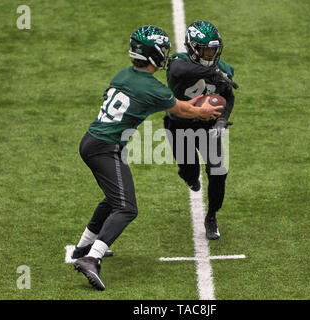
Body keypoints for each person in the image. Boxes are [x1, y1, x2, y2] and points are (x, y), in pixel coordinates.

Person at [72, 25, 224, 291]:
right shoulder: (152, 88)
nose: (165, 53)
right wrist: (205, 111)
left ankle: (83, 245)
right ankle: (91, 258)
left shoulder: (123, 75)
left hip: (91, 141)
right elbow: (183, 110)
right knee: (127, 207)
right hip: (106, 148)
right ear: (154, 53)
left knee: (113, 198)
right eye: (162, 49)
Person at [164, 20, 238, 240]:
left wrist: (222, 120)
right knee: (190, 173)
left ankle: (212, 216)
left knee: (218, 172)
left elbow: (229, 97)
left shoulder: (224, 68)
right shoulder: (179, 61)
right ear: (192, 48)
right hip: (179, 124)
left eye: (213, 50)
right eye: (205, 49)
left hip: (208, 126)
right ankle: (188, 174)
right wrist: (213, 73)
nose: (210, 54)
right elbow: (177, 70)